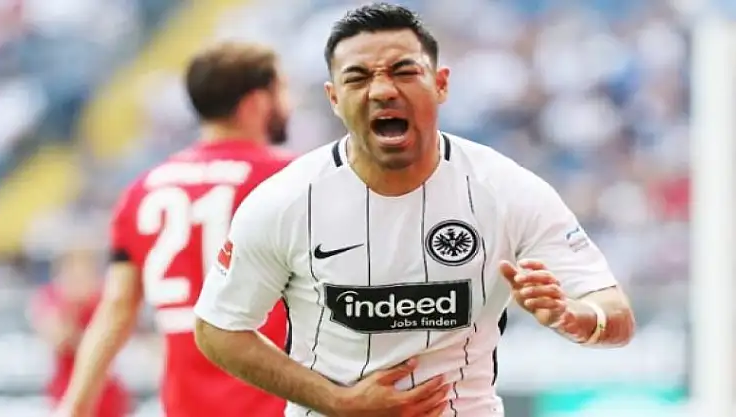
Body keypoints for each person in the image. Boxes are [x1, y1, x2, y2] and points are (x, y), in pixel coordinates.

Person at [193, 3, 636, 417]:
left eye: (404, 72)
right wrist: (338, 402)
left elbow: (614, 313)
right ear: (334, 98)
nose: (383, 91)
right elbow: (218, 328)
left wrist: (575, 317)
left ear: (440, 83)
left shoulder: (507, 190)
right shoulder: (286, 200)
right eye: (357, 78)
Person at [55, 41, 295, 417]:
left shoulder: (143, 190)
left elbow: (116, 309)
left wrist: (73, 408)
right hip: (277, 403)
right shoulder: (292, 181)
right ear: (257, 102)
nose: (289, 104)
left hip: (186, 405)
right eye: (282, 90)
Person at [29, 247, 132, 417]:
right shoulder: (52, 298)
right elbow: (58, 336)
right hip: (65, 390)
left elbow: (113, 339)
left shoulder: (104, 299)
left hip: (105, 393)